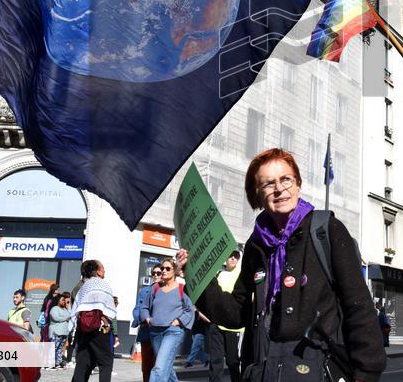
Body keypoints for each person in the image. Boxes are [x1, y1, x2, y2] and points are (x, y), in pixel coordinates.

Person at [179, 148, 385, 382]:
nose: (279, 189)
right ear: (256, 195)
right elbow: (236, 313)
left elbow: (358, 304)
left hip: (320, 370)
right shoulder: (255, 246)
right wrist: (195, 276)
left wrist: (367, 372)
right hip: (266, 370)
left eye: (286, 179)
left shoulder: (327, 230)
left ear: (298, 184)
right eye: (268, 184)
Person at [141, 257, 195, 382]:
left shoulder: (182, 289)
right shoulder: (155, 288)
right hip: (155, 332)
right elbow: (144, 307)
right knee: (167, 368)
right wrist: (148, 319)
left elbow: (189, 309)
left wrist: (178, 322)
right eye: (162, 268)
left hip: (172, 332)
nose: (163, 271)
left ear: (174, 271)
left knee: (159, 368)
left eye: (167, 268)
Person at [71, 259, 117, 382]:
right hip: (98, 329)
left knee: (82, 363)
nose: (104, 270)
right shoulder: (102, 285)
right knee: (106, 362)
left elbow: (76, 307)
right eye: (102, 268)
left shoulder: (84, 286)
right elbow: (105, 307)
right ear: (98, 272)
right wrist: (106, 323)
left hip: (83, 328)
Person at [207, 251, 243, 382]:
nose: (233, 258)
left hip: (234, 327)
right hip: (216, 325)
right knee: (215, 361)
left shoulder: (242, 274)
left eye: (236, 256)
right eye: (230, 255)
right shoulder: (218, 274)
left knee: (233, 361)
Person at [134, 265, 163, 382]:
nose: (155, 275)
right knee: (146, 368)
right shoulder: (144, 291)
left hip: (162, 333)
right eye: (153, 273)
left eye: (158, 273)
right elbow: (137, 309)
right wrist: (142, 318)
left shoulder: (167, 290)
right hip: (146, 332)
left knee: (160, 367)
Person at [49, 292, 73, 369]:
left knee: (60, 349)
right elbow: (56, 318)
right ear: (58, 301)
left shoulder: (65, 309)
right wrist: (65, 319)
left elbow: (70, 315)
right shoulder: (54, 309)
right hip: (56, 332)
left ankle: (57, 362)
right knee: (53, 348)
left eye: (64, 300)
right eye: (62, 300)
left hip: (63, 333)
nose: (64, 301)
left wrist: (68, 306)